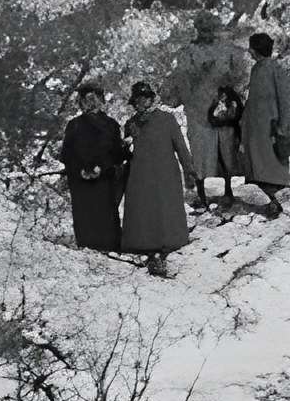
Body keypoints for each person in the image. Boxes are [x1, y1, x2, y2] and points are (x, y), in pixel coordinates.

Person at [116, 79, 196, 277]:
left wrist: (189, 171)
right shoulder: (130, 124)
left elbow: (181, 146)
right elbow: (125, 156)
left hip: (164, 174)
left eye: (144, 98)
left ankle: (164, 251)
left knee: (164, 211)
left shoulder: (167, 119)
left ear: (151, 99)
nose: (140, 102)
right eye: (137, 99)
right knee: (144, 212)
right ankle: (148, 251)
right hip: (140, 176)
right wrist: (125, 146)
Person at [178, 10, 247, 211]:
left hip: (223, 112)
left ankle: (228, 191)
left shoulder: (228, 50)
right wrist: (198, 75)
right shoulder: (187, 53)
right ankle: (201, 194)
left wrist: (229, 91)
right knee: (200, 154)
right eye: (203, 27)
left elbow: (240, 76)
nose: (207, 31)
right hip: (198, 112)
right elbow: (182, 81)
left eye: (210, 27)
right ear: (197, 29)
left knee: (227, 151)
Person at [57, 82, 126, 251]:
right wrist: (80, 170)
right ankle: (87, 248)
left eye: (94, 99)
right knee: (84, 216)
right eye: (86, 99)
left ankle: (111, 249)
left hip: (104, 179)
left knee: (106, 215)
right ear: (80, 102)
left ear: (101, 100)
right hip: (80, 180)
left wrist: (101, 168)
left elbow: (117, 154)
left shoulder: (111, 125)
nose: (90, 103)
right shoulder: (74, 125)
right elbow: (66, 154)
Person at [236, 30, 290, 216]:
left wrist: (283, 129)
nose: (249, 51)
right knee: (258, 167)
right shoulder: (257, 69)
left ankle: (274, 204)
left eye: (251, 48)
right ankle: (262, 202)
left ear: (256, 49)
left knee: (271, 168)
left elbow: (284, 101)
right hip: (255, 131)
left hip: (270, 130)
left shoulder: (275, 69)